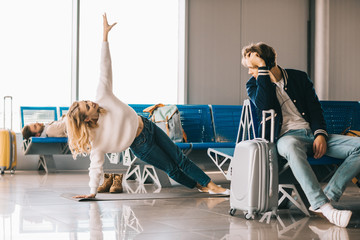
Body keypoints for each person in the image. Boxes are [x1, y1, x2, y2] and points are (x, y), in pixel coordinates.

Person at [66, 13, 229, 199]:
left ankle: (211, 185)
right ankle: (199, 185)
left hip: (148, 126)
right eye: (88, 106)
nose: (91, 102)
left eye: (87, 101)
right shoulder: (96, 140)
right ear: (86, 118)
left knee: (179, 158)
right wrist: (92, 192)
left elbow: (104, 67)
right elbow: (95, 166)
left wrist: (105, 37)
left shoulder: (103, 96)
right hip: (140, 145)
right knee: (171, 169)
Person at [242, 42, 360, 228]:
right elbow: (264, 105)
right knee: (291, 147)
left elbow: (315, 108)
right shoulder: (254, 85)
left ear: (269, 62)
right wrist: (262, 69)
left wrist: (320, 134)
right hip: (286, 138)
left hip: (313, 134)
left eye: (253, 67)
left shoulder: (299, 78)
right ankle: (322, 205)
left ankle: (328, 195)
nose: (250, 72)